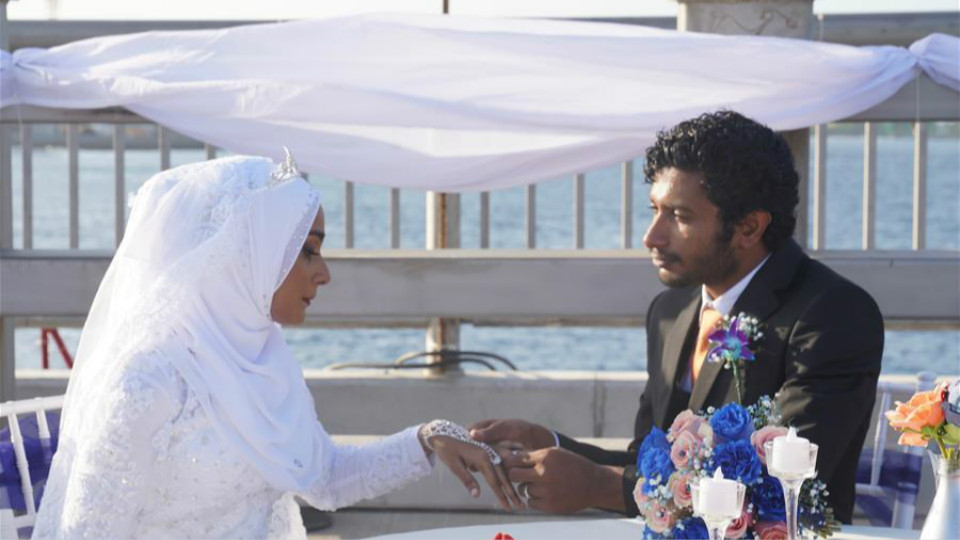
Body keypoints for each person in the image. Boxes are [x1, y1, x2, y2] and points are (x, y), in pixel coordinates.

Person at [32, 152, 521, 540]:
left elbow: (326, 478)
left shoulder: (263, 357)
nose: (324, 272)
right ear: (245, 254)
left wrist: (427, 438)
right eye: (307, 250)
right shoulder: (146, 381)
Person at [472, 111, 884, 524]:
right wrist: (553, 444)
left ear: (749, 227)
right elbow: (650, 464)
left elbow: (781, 486)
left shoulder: (834, 315)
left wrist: (600, 486)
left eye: (680, 216)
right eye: (655, 209)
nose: (652, 236)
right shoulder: (669, 313)